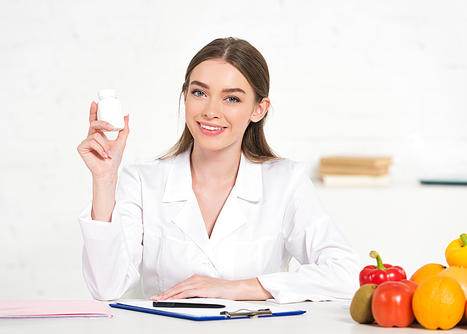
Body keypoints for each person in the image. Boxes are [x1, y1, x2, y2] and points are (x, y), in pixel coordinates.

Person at [77, 37, 362, 303]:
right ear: (185, 96)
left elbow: (347, 275)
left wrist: (234, 288)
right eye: (200, 92)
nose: (211, 111)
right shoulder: (142, 181)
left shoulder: (286, 182)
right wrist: (104, 179)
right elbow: (106, 287)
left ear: (258, 109)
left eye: (232, 98)